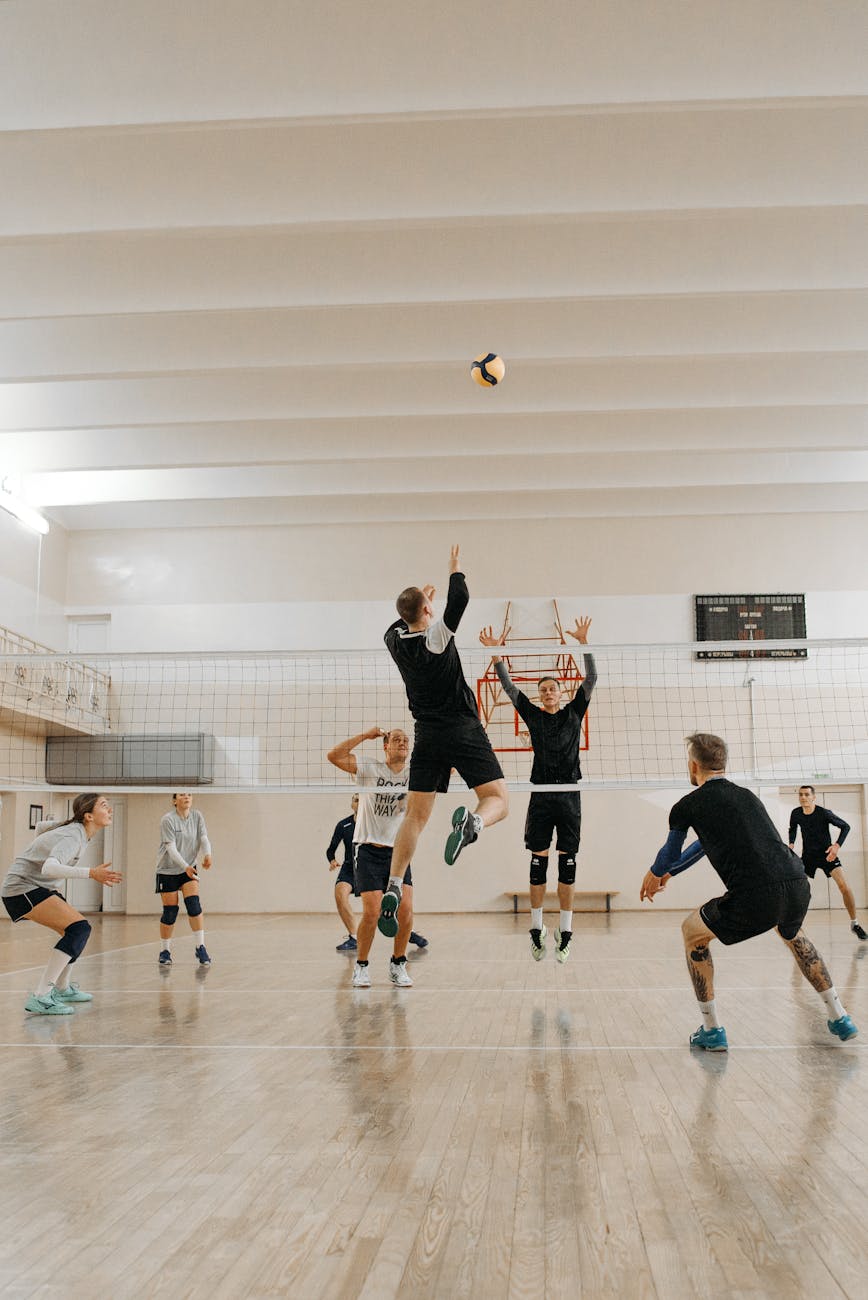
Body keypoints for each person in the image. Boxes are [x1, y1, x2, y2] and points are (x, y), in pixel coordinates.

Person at [640, 733, 858, 1050]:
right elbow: (702, 845)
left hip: (756, 894)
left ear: (693, 765)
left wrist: (656, 871)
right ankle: (840, 1016)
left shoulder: (686, 805)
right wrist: (669, 872)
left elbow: (670, 853)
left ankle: (712, 1029)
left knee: (692, 933)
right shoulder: (747, 796)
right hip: (796, 883)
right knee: (793, 934)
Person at [381, 544, 508, 935]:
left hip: (427, 735)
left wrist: (420, 603)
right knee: (498, 800)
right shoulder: (436, 637)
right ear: (427, 611)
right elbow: (461, 598)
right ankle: (474, 823)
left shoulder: (394, 640)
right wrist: (455, 568)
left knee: (415, 817)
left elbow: (402, 619)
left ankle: (394, 884)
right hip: (462, 729)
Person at [480, 618, 596, 963]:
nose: (547, 693)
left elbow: (591, 678)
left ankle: (566, 931)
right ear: (539, 696)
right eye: (543, 689)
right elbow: (509, 688)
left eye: (552, 689)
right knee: (537, 865)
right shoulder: (533, 716)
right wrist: (496, 654)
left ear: (560, 693)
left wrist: (584, 643)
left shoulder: (574, 712)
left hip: (570, 795)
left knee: (568, 866)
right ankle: (536, 928)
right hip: (542, 795)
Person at [1, 793, 122, 1015]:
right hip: (21, 889)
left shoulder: (75, 829)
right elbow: (49, 868)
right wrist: (91, 873)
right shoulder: (72, 836)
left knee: (76, 931)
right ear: (88, 816)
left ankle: (62, 988)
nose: (110, 809)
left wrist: (38, 847)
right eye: (104, 806)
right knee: (79, 929)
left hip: (38, 886)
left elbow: (41, 826)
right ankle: (41, 996)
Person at [327, 727, 416, 986]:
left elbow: (449, 768)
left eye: (406, 740)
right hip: (368, 849)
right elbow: (334, 756)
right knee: (373, 912)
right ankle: (362, 965)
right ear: (385, 746)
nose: (402, 743)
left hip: (399, 851)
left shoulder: (414, 774)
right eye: (396, 739)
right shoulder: (369, 768)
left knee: (406, 911)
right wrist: (365, 736)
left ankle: (398, 963)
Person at [326, 796, 429, 954]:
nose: (358, 802)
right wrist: (332, 860)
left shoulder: (375, 820)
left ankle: (407, 931)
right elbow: (331, 849)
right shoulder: (344, 825)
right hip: (350, 868)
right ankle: (354, 936)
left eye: (360, 799)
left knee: (391, 903)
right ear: (351, 804)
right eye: (355, 800)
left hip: (374, 864)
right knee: (340, 893)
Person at [788, 785, 866, 941]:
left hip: (827, 855)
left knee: (844, 887)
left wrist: (836, 846)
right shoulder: (796, 813)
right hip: (808, 856)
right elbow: (793, 828)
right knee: (798, 889)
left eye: (807, 794)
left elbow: (845, 827)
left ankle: (855, 924)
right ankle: (792, 924)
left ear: (813, 797)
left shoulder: (823, 813)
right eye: (801, 795)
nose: (803, 797)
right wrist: (791, 843)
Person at [156, 792, 213, 968]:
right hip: (168, 870)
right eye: (182, 795)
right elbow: (171, 848)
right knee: (170, 912)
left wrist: (208, 854)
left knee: (194, 905)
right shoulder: (168, 820)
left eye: (189, 794)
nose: (186, 797)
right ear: (175, 801)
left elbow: (203, 838)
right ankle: (165, 951)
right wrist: (185, 866)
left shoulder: (197, 816)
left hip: (189, 868)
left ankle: (200, 947)